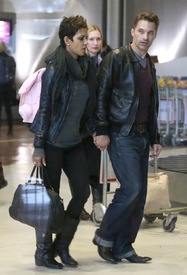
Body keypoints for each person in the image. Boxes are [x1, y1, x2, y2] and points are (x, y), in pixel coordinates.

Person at [92, 12, 162, 264]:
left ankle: (124, 246)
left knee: (140, 194)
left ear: (155, 35)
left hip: (143, 136)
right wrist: (101, 130)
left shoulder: (149, 64)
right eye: (141, 31)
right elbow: (101, 95)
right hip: (121, 135)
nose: (145, 37)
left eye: (150, 32)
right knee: (131, 188)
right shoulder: (117, 58)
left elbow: (151, 103)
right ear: (132, 31)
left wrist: (155, 136)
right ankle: (104, 236)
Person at [30, 15, 97, 269]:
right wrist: (39, 144)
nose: (86, 42)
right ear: (67, 40)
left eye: (87, 37)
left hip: (75, 141)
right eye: (81, 38)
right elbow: (45, 108)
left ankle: (62, 245)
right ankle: (43, 252)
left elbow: (88, 106)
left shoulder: (86, 66)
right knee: (49, 199)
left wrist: (97, 131)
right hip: (52, 143)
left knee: (81, 192)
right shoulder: (55, 67)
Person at [69, 24, 103, 221]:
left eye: (98, 39)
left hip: (97, 123)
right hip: (81, 126)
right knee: (79, 167)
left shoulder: (104, 62)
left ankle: (97, 204)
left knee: (97, 166)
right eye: (91, 39)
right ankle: (79, 204)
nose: (95, 43)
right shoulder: (79, 65)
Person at [0, 41, 16, 137]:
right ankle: (10, 130)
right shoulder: (10, 59)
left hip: (1, 87)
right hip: (8, 87)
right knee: (8, 110)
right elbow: (12, 74)